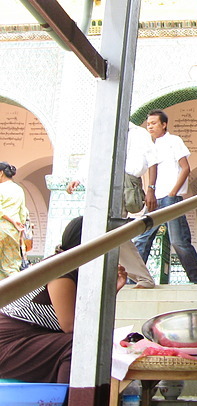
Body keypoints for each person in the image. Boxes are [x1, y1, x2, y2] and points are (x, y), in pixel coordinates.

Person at [0, 216, 127, 383]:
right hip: (8, 345)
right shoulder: (62, 269)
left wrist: (111, 291)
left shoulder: (75, 268)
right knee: (78, 345)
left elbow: (86, 316)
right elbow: (71, 326)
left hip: (26, 341)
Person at [66, 122, 157, 288]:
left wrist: (151, 188)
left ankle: (142, 277)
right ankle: (128, 276)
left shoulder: (138, 133)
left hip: (124, 182)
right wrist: (78, 177)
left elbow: (152, 161)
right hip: (99, 183)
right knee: (102, 230)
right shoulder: (101, 130)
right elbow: (92, 156)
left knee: (113, 230)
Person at [134, 109, 197, 284]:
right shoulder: (151, 146)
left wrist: (173, 192)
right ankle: (135, 279)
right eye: (148, 123)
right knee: (142, 239)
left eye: (153, 123)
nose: (149, 126)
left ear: (164, 124)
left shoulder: (174, 141)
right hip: (154, 199)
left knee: (178, 241)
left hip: (170, 198)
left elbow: (185, 167)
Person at [0, 162, 28, 280]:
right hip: (13, 231)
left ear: (1, 173)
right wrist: (20, 231)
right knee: (11, 266)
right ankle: (14, 295)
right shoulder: (18, 189)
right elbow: (23, 212)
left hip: (2, 227)